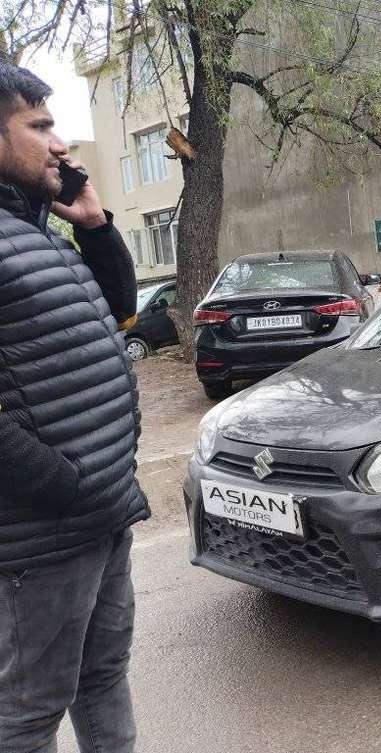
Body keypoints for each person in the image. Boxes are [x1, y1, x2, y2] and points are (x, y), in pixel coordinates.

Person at [0, 63, 148, 752]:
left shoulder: (33, 232)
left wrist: (92, 225)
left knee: (102, 676)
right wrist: (65, 481)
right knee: (31, 711)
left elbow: (121, 311)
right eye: (40, 126)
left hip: (102, 513)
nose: (60, 144)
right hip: (47, 530)